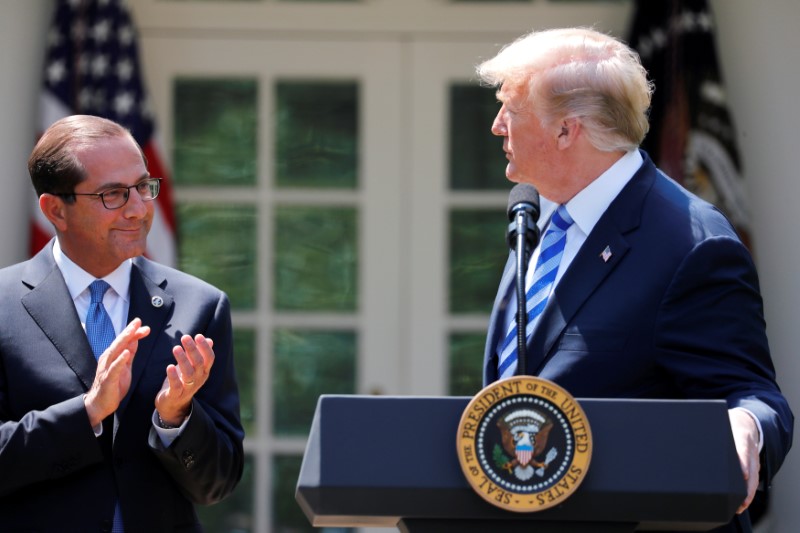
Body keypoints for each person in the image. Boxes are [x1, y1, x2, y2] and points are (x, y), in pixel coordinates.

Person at [478, 28, 792, 532]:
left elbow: (751, 393)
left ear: (566, 131)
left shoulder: (691, 241)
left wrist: (745, 427)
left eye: (509, 109)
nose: (497, 126)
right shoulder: (537, 221)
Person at [0, 115, 244, 531]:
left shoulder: (200, 307)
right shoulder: (4, 306)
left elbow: (216, 484)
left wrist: (175, 418)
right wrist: (89, 411)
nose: (138, 209)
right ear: (55, 209)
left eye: (143, 187)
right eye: (113, 194)